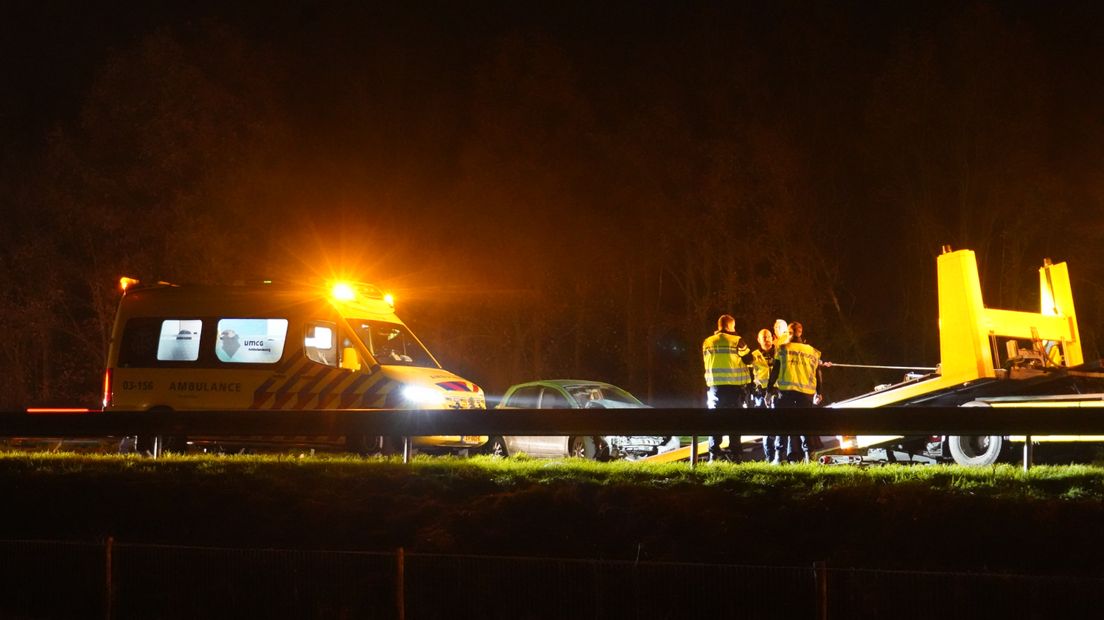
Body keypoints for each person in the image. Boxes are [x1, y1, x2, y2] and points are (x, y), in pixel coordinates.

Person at [767, 321, 822, 462]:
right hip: (806, 394)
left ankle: (779, 457)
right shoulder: (812, 351)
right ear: (801, 332)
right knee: (805, 424)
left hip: (786, 393)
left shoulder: (782, 349)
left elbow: (776, 370)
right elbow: (818, 373)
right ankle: (809, 457)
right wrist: (819, 392)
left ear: (789, 333)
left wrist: (768, 390)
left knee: (783, 424)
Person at [702, 314, 754, 461]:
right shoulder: (737, 340)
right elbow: (749, 359)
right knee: (734, 420)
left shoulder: (707, 341)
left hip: (715, 387)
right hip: (734, 387)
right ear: (731, 326)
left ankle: (714, 453)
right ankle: (736, 453)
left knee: (716, 420)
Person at [750, 328, 781, 463]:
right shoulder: (754, 355)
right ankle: (770, 458)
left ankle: (780, 456)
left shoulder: (780, 352)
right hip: (761, 393)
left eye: (768, 337)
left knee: (779, 424)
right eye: (763, 337)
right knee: (767, 427)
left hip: (778, 391)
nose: (766, 339)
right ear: (758, 339)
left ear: (772, 338)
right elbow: (750, 375)